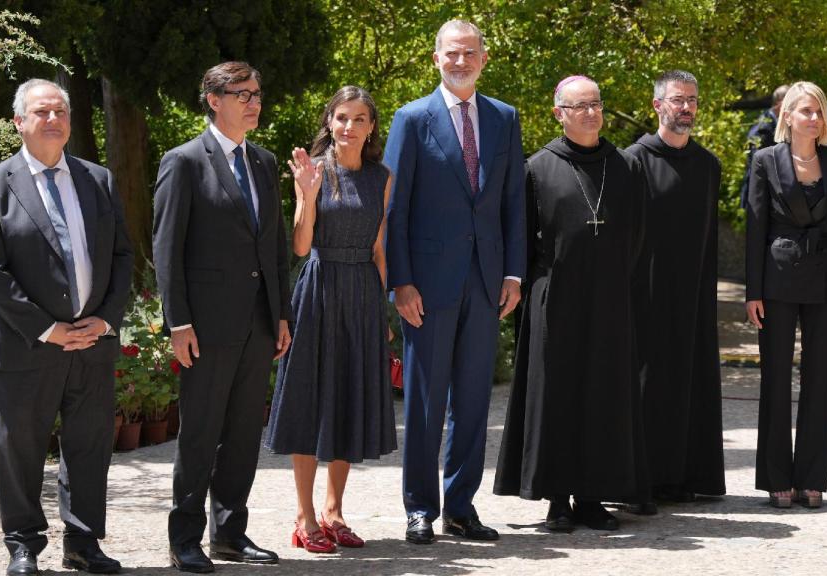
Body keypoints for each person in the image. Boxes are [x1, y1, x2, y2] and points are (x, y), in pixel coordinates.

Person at [0, 78, 133, 575]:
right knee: (19, 449)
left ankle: (83, 542)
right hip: (25, 347)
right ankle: (22, 545)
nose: (54, 119)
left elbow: (122, 256)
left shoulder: (97, 179)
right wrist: (47, 329)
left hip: (92, 343)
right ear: (19, 122)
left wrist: (106, 318)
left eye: (61, 110)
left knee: (89, 447)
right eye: (42, 111)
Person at [384, 19, 526, 545]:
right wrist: (400, 281)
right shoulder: (411, 118)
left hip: (487, 281)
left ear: (483, 59)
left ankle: (461, 507)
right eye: (452, 53)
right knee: (424, 403)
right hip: (426, 286)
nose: (461, 61)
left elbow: (513, 201)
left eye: (470, 53)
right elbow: (394, 209)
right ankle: (420, 508)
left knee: (472, 403)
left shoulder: (504, 117)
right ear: (436, 58)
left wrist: (513, 273)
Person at [153, 61, 291, 572]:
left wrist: (281, 315)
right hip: (206, 327)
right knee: (200, 433)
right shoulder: (184, 162)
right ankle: (185, 539)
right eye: (242, 94)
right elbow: (167, 249)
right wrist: (178, 321)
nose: (254, 102)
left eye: (256, 93)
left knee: (242, 434)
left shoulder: (264, 162)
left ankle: (231, 535)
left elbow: (274, 245)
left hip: (259, 323)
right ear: (214, 100)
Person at [494, 76, 647, 532]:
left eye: (596, 104)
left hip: (609, 298)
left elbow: (637, 236)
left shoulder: (625, 166)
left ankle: (593, 496)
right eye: (580, 106)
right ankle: (558, 498)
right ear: (559, 113)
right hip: (555, 296)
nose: (591, 113)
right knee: (556, 395)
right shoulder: (538, 167)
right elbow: (522, 238)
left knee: (603, 392)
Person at [265, 86, 396, 553]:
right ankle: (304, 516)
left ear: (371, 127)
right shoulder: (314, 170)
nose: (349, 127)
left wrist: (380, 310)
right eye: (342, 117)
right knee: (311, 397)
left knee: (348, 396)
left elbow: (379, 249)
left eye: (359, 119)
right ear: (330, 122)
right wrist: (306, 194)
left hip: (362, 293)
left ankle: (334, 511)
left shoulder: (383, 176)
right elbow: (301, 246)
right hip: (319, 290)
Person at [745, 81, 827, 509]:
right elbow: (756, 226)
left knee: (820, 379)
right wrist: (752, 291)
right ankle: (776, 477)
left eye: (819, 111)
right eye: (806, 110)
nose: (814, 118)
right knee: (775, 377)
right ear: (787, 115)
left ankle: (812, 478)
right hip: (776, 278)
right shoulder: (764, 160)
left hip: (826, 279)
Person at [627, 70, 726, 504]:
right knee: (648, 385)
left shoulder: (708, 166)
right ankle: (643, 479)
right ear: (657, 106)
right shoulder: (633, 162)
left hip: (694, 295)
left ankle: (684, 476)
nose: (686, 108)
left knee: (690, 381)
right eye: (677, 100)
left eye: (692, 100)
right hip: (645, 294)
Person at [740, 84, 789, 209]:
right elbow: (757, 167)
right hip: (760, 195)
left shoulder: (778, 123)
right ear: (780, 103)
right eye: (790, 102)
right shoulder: (762, 128)